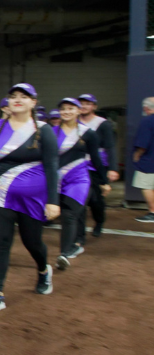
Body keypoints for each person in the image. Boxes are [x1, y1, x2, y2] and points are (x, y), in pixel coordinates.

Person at [0, 83, 59, 313]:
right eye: (13, 96)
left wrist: (53, 201)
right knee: (1, 242)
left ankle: (43, 270)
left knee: (32, 242)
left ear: (33, 102)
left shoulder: (44, 131)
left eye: (24, 96)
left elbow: (52, 166)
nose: (17, 99)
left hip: (32, 199)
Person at [52, 98, 109, 269]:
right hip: (56, 180)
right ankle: (74, 245)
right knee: (60, 215)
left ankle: (64, 254)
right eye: (63, 108)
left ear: (78, 111)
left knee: (69, 215)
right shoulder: (51, 132)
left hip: (78, 180)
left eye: (71, 108)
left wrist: (104, 181)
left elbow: (96, 159)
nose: (66, 111)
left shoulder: (88, 133)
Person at [76, 93, 119, 240]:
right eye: (81, 103)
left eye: (87, 103)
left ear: (94, 106)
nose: (84, 106)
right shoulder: (73, 122)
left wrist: (113, 168)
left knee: (95, 199)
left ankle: (99, 221)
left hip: (96, 166)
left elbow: (110, 147)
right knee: (80, 199)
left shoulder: (103, 124)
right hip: (77, 165)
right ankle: (79, 235)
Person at [132, 96, 154, 222]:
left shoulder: (147, 121)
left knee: (146, 186)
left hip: (149, 162)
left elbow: (143, 143)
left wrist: (137, 154)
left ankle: (153, 212)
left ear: (146, 108)